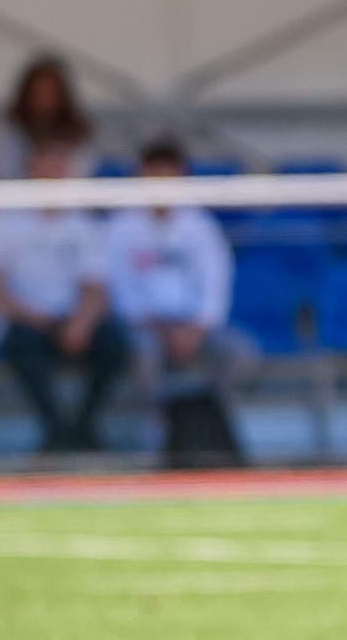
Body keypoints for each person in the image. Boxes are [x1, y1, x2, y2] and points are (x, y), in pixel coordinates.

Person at [104, 139, 256, 464]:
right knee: (143, 353)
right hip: (144, 325)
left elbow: (215, 288)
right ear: (140, 175)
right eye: (153, 174)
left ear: (181, 175)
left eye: (167, 174)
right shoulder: (120, 228)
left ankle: (210, 427)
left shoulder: (200, 227)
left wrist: (194, 330)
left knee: (240, 352)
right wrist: (159, 328)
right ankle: (157, 436)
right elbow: (119, 290)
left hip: (195, 326)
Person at [0, 142, 129, 451]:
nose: (53, 176)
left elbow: (96, 286)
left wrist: (81, 323)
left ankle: (84, 424)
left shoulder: (84, 223)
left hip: (70, 320)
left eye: (60, 168)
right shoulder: (4, 219)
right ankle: (56, 428)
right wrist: (32, 316)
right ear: (31, 170)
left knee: (115, 343)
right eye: (47, 167)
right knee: (22, 344)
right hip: (23, 320)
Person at [0, 54, 91, 178]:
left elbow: (86, 175)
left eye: (50, 93)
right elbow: (3, 175)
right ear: (27, 94)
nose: (44, 100)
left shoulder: (78, 135)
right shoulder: (9, 133)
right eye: (39, 93)